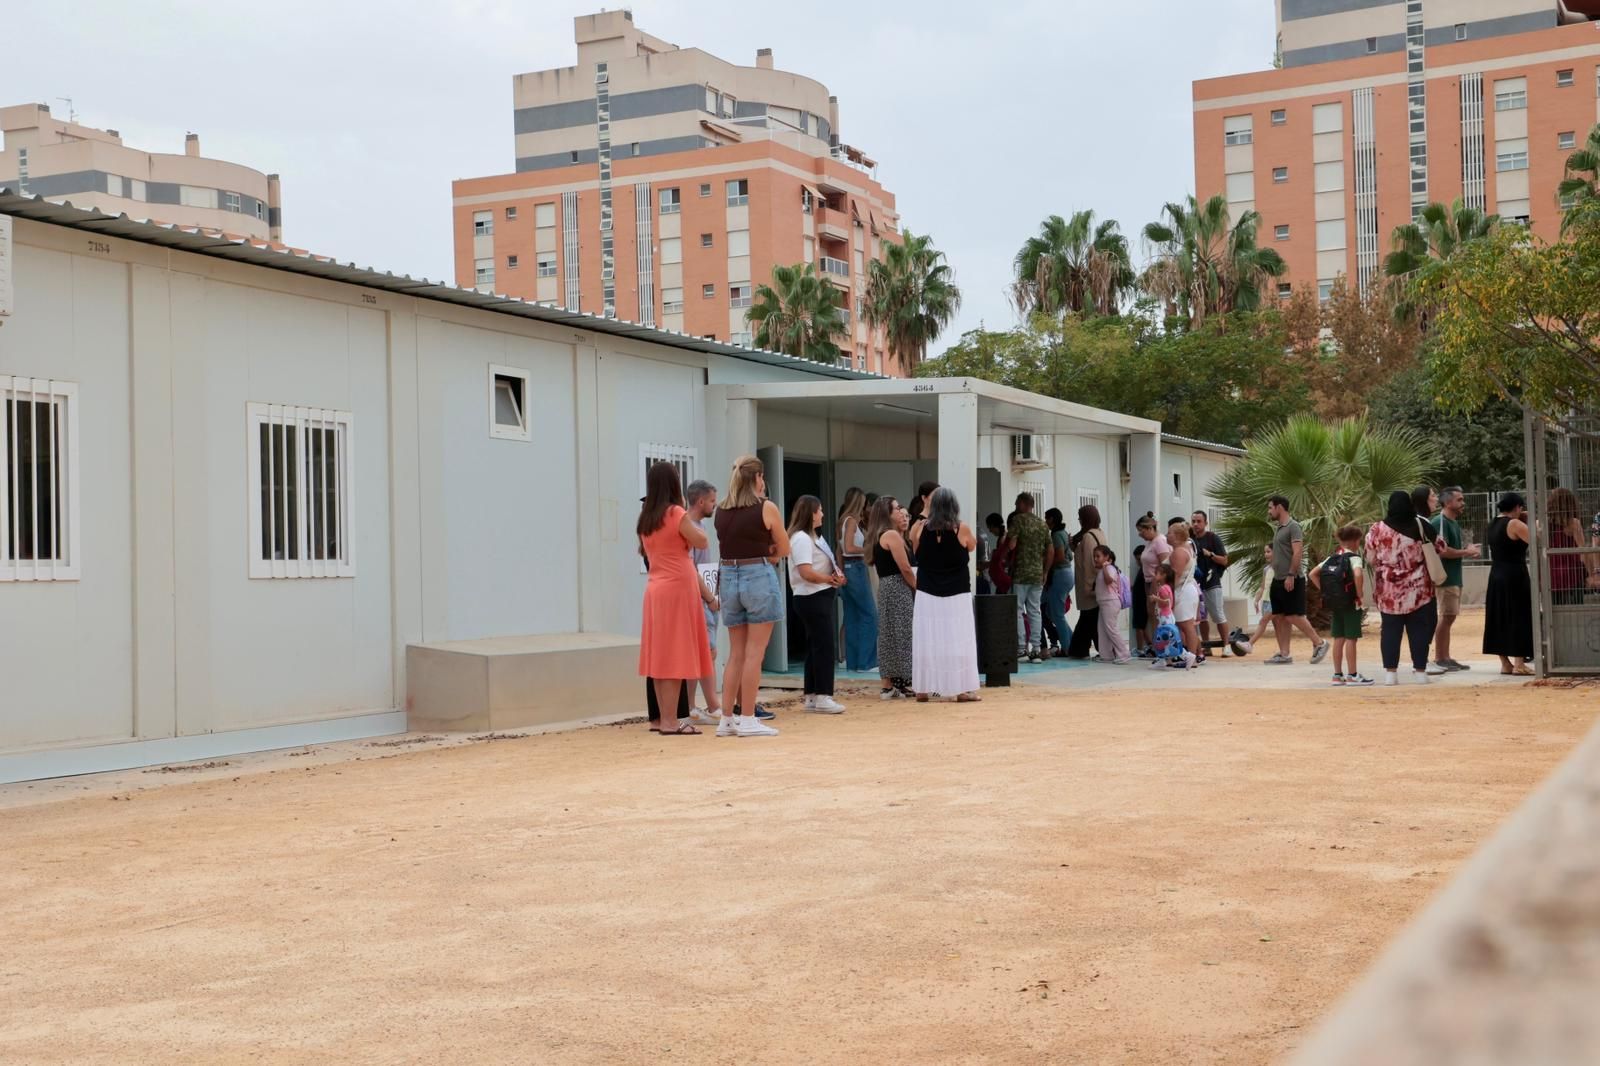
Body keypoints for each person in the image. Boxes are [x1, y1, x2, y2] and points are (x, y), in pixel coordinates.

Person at [713, 455, 789, 737]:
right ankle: (748, 717)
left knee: (736, 653)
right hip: (756, 573)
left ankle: (727, 719)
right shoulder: (765, 507)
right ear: (758, 478)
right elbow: (783, 547)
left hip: (728, 576)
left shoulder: (721, 509)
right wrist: (767, 554)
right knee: (755, 654)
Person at [636, 462, 714, 735]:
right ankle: (671, 720)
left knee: (660, 656)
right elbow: (701, 540)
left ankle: (663, 718)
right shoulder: (676, 512)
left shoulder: (646, 517)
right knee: (674, 654)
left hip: (656, 587)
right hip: (678, 587)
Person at [1365, 490, 1446, 686]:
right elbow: (1441, 547)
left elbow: (1370, 558)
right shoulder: (1421, 525)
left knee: (1390, 631)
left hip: (1388, 590)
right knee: (1419, 630)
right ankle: (1420, 672)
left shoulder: (1377, 528)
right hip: (1419, 590)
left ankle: (1390, 674)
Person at [909, 487, 982, 702]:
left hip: (927, 592)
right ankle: (959, 689)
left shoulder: (919, 528)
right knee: (958, 639)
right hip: (956, 592)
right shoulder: (962, 528)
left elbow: (916, 552)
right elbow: (971, 547)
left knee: (927, 638)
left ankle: (922, 689)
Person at [786, 495, 847, 714]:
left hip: (816, 596)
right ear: (811, 513)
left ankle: (812, 695)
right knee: (823, 646)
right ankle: (823, 695)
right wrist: (829, 579)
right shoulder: (801, 538)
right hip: (812, 596)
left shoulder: (811, 537)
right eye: (819, 510)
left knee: (815, 646)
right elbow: (806, 572)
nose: (822, 513)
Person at [1265, 495, 1331, 666]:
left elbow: (1298, 552)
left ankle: (1319, 643)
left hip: (1292, 578)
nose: (1269, 511)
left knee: (1294, 615)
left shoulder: (1293, 527)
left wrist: (1291, 575)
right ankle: (1284, 654)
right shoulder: (1279, 528)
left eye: (1270, 507)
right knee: (1279, 617)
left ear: (1280, 507)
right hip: (1278, 579)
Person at [1310, 524, 1374, 686]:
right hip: (1351, 603)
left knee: (1339, 638)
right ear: (1356, 541)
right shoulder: (1354, 558)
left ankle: (1337, 675)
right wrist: (1359, 594)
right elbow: (1358, 574)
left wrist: (1326, 592)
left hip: (1335, 602)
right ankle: (1352, 675)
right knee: (1351, 638)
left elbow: (1313, 574)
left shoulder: (1332, 557)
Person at [867, 496, 917, 699]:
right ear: (887, 513)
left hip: (887, 587)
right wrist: (917, 586)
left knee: (889, 634)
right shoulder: (892, 536)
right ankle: (904, 681)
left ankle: (889, 683)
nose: (900, 512)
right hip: (898, 586)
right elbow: (904, 567)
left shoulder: (879, 535)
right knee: (904, 633)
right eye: (896, 509)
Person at [685, 479, 724, 723]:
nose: (714, 504)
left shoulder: (697, 526)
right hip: (701, 597)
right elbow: (690, 567)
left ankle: (691, 707)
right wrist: (709, 597)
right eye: (711, 500)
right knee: (707, 651)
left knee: (702, 653)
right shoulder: (691, 528)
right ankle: (712, 705)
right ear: (700, 501)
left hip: (705, 594)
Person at [1429, 487, 1481, 670]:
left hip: (1454, 577)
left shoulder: (1452, 523)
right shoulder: (1439, 522)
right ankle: (1440, 657)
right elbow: (1442, 551)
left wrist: (1466, 549)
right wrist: (1467, 551)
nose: (1462, 503)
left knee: (1449, 617)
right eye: (1459, 500)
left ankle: (1446, 656)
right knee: (1446, 616)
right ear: (1448, 502)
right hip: (1446, 578)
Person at [1483, 492, 1534, 674]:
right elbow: (1536, 541)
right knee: (1519, 614)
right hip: (1514, 574)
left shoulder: (1493, 523)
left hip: (1496, 573)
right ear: (1518, 507)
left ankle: (1505, 663)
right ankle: (1519, 663)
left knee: (1499, 616)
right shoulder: (1514, 523)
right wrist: (1535, 524)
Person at [836, 487, 879, 672]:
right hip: (856, 567)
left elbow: (840, 550)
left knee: (852, 617)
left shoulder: (841, 521)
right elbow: (849, 547)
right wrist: (869, 550)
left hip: (847, 568)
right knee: (870, 615)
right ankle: (866, 663)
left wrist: (840, 571)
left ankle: (853, 662)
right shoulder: (852, 521)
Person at [1010, 494, 1053, 664]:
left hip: (1020, 574)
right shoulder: (1043, 525)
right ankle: (1036, 649)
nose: (1015, 505)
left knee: (1018, 610)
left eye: (1016, 502)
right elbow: (1049, 551)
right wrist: (1045, 572)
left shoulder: (1018, 520)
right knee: (1035, 611)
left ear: (1022, 503)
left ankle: (1022, 649)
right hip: (1037, 574)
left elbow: (1012, 544)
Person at [1066, 505, 1107, 659]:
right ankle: (1091, 650)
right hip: (1098, 582)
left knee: (1088, 619)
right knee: (1091, 619)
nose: (1079, 520)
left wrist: (1088, 587)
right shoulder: (1099, 533)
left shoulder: (1088, 537)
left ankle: (1081, 650)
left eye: (1080, 517)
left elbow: (1090, 563)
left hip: (1090, 583)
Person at [1190, 510, 1232, 654]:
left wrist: (1211, 555)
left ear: (1206, 523)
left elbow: (1225, 560)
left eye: (1199, 521)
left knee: (1218, 614)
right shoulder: (1191, 540)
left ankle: (1226, 645)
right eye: (1193, 521)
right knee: (1201, 617)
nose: (1195, 524)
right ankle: (1206, 646)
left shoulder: (1212, 538)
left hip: (1212, 581)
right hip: (1196, 583)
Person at [1134, 514, 1171, 657]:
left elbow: (1164, 565)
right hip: (1148, 582)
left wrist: (1157, 585)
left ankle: (1161, 648)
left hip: (1157, 583)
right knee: (1152, 616)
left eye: (1141, 531)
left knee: (1158, 615)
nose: (1140, 534)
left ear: (1149, 528)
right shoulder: (1150, 542)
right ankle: (1157, 646)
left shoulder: (1159, 541)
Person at [1166, 521, 1203, 663]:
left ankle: (1191, 657)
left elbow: (1176, 575)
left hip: (1183, 590)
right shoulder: (1187, 547)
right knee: (1186, 625)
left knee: (1187, 625)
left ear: (1176, 536)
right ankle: (1190, 655)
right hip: (1188, 589)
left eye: (1169, 533)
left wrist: (1168, 594)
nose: (1167, 535)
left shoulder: (1179, 552)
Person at [1548, 487, 1591, 606]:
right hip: (1573, 573)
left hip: (1552, 574)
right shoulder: (1573, 523)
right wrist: (1589, 573)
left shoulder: (1543, 523)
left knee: (1554, 610)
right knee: (1576, 610)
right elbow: (1582, 551)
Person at [1042, 508, 1074, 658]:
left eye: (1046, 518)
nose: (1045, 521)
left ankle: (1067, 648)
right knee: (1052, 612)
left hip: (1060, 575)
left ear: (1052, 519)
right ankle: (1072, 641)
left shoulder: (1056, 535)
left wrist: (1046, 567)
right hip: (1066, 574)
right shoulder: (1063, 533)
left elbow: (1060, 556)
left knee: (1057, 614)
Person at [1148, 562, 1194, 669]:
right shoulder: (1167, 587)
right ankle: (1162, 659)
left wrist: (1155, 599)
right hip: (1166, 616)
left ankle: (1187, 655)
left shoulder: (1163, 588)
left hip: (1165, 617)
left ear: (1164, 575)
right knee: (1163, 640)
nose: (1155, 576)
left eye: (1157, 573)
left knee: (1168, 639)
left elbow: (1166, 602)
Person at [1091, 543, 1131, 663]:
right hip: (1104, 603)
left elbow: (1109, 581)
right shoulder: (1102, 570)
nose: (1095, 559)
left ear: (1107, 557)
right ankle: (1106, 655)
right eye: (1094, 556)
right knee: (1102, 629)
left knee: (1111, 629)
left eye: (1098, 556)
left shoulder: (1110, 568)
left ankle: (1124, 654)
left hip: (1110, 602)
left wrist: (1104, 568)